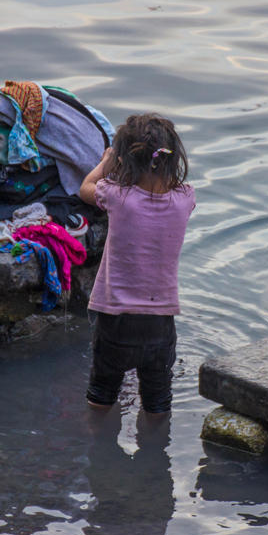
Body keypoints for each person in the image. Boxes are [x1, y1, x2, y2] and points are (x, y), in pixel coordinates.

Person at [79, 113, 195, 415]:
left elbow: (86, 187)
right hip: (160, 320)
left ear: (125, 160)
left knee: (101, 393)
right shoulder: (185, 198)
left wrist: (106, 161)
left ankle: (100, 451)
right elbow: (168, 188)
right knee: (158, 399)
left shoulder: (117, 195)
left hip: (115, 318)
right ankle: (156, 456)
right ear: (172, 159)